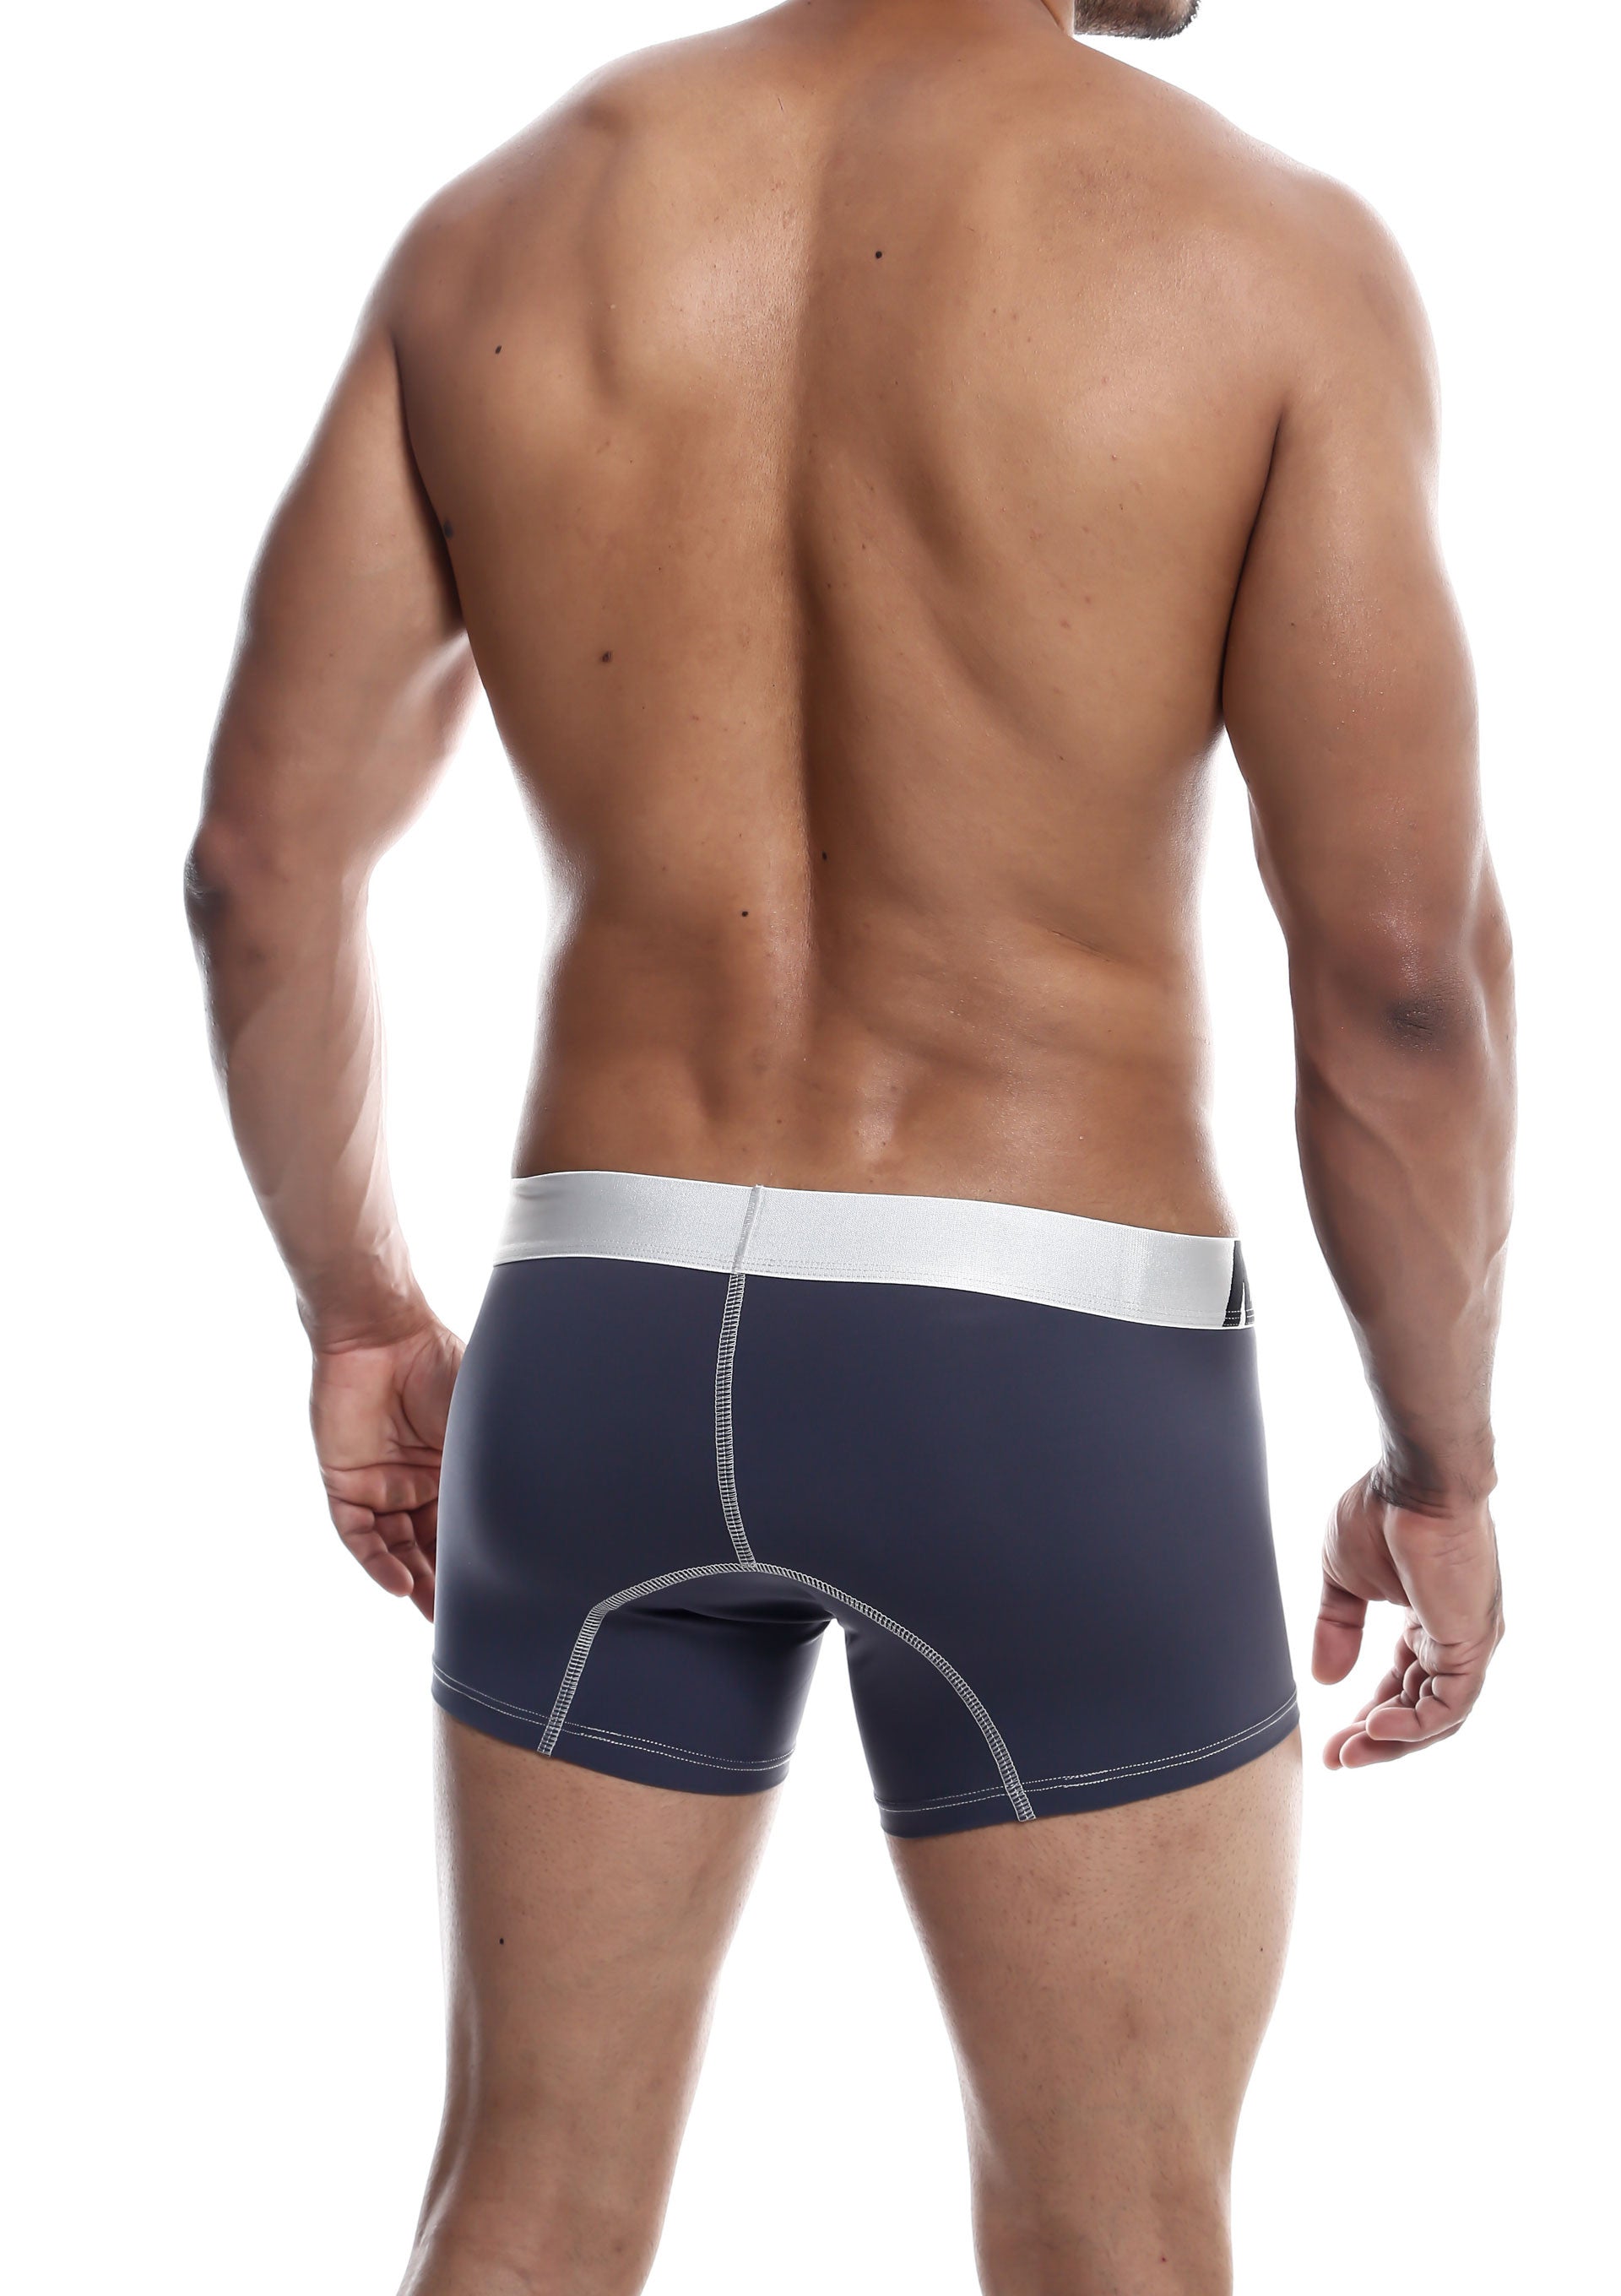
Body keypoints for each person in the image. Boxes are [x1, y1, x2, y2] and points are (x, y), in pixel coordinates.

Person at [186, 1, 1513, 2288]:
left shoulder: (506, 228)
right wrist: (1443, 1462)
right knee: (1117, 2234)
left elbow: (254, 874)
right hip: (1047, 1369)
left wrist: (357, 1314)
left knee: (525, 2196)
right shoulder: (1262, 253)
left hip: (597, 1335)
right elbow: (1401, 975)